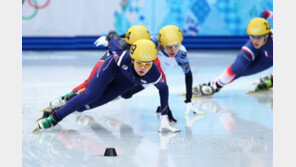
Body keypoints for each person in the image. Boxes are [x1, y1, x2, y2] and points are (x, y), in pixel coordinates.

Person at [37, 39, 181, 133]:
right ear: (132, 59)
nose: (142, 68)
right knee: (92, 95)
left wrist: (163, 119)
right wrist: (107, 39)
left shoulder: (154, 74)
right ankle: (55, 118)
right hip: (112, 69)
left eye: (147, 64)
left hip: (125, 83)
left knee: (83, 107)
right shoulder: (123, 57)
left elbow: (164, 90)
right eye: (138, 63)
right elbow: (113, 44)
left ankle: (72, 98)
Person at [120, 25, 202, 116]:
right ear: (161, 44)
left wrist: (189, 100)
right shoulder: (153, 42)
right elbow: (133, 36)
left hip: (150, 77)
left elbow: (188, 75)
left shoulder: (181, 54)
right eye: (168, 47)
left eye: (176, 46)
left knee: (126, 95)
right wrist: (114, 39)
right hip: (138, 68)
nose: (173, 50)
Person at [193, 10, 273, 96]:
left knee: (243, 71)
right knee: (238, 67)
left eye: (258, 37)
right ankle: (214, 85)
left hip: (268, 58)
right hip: (255, 49)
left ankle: (215, 85)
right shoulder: (259, 24)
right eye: (252, 36)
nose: (255, 40)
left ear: (266, 35)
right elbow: (265, 12)